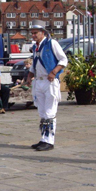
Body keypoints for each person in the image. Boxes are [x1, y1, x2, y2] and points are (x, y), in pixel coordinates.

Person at [26, 20, 67, 151]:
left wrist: (54, 72)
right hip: (39, 81)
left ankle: (49, 141)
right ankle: (44, 138)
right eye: (32, 33)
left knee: (50, 111)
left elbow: (63, 59)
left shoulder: (52, 43)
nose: (33, 35)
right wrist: (29, 75)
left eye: (35, 33)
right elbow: (34, 63)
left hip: (49, 81)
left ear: (43, 32)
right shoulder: (36, 47)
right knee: (42, 111)